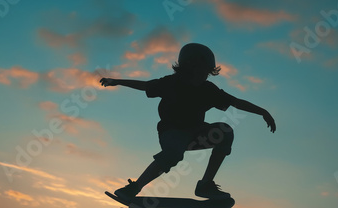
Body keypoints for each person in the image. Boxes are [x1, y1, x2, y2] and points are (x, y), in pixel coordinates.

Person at [100, 43, 276, 200]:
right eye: (201, 71)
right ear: (188, 67)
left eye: (207, 72)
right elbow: (145, 85)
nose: (205, 76)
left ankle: (205, 185)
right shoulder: (171, 83)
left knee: (225, 132)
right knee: (173, 155)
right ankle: (134, 188)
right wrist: (116, 81)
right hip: (171, 133)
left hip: (195, 134)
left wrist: (262, 112)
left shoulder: (208, 90)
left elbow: (235, 102)